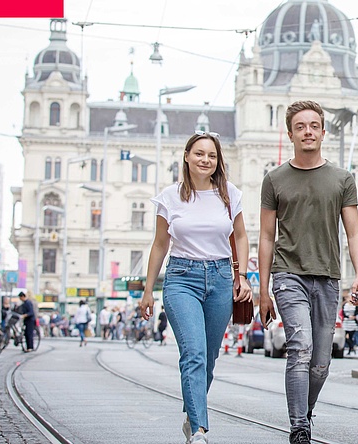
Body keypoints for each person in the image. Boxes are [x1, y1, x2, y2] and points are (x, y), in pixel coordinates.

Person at [258, 100, 358, 444]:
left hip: (328, 277)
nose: (308, 131)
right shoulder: (274, 179)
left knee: (321, 363)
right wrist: (263, 289)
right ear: (290, 133)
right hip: (288, 273)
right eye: (300, 126)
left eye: (314, 126)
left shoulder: (342, 178)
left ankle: (304, 413)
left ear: (323, 131)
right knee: (300, 346)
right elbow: (265, 236)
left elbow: (353, 232)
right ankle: (299, 427)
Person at [138, 131, 252, 444]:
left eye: (211, 156)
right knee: (194, 353)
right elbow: (160, 244)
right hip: (181, 278)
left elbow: (241, 236)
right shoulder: (169, 196)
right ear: (187, 156)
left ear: (218, 161)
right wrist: (148, 290)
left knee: (210, 357)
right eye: (199, 154)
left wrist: (242, 277)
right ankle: (199, 430)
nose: (205, 160)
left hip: (219, 278)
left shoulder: (229, 194)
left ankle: (192, 413)